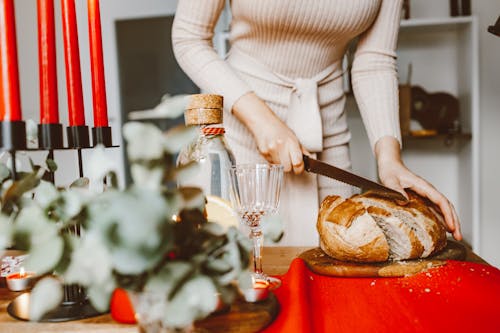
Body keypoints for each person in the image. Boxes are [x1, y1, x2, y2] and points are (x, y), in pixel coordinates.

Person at [172, 0, 462, 246]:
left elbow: (374, 60)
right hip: (235, 140)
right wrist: (262, 122)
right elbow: (189, 37)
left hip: (328, 141)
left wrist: (389, 158)